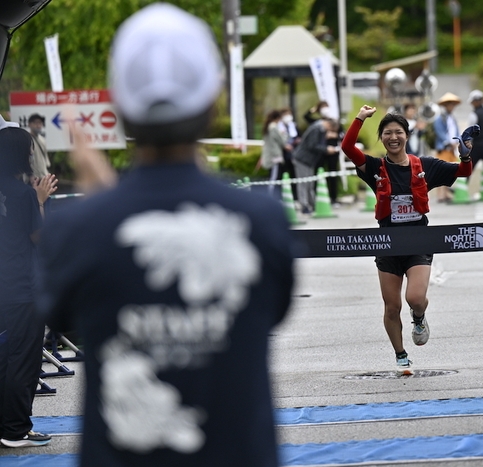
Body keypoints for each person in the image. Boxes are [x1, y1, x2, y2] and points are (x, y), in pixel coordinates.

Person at [36, 4, 295, 466]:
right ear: (214, 96)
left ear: (118, 104)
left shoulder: (78, 228)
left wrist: (104, 205)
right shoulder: (262, 219)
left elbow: (60, 312)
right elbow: (270, 312)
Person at [341, 104, 474, 368]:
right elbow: (347, 148)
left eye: (398, 132)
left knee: (414, 298)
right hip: (387, 244)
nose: (393, 137)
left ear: (407, 135)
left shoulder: (425, 166)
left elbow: (462, 173)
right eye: (388, 133)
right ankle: (401, 354)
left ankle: (419, 315)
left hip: (418, 243)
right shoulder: (375, 168)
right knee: (392, 307)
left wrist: (466, 156)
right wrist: (360, 118)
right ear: (382, 138)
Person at [0, 125, 57, 448]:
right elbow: (39, 239)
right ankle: (16, 429)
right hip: (22, 287)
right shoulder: (23, 195)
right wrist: (40, 202)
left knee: (3, 357)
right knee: (24, 359)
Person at [292, 118, 339, 214]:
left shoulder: (319, 128)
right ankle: (304, 205)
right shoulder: (316, 129)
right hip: (303, 159)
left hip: (309, 161)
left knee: (309, 184)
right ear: (329, 125)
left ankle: (312, 204)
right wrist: (326, 149)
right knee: (303, 183)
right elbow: (312, 145)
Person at [432, 92, 462, 202]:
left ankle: (446, 193)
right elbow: (440, 132)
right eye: (450, 104)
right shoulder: (440, 118)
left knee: (449, 172)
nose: (451, 107)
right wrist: (449, 142)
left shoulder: (452, 118)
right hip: (443, 148)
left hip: (452, 149)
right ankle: (440, 194)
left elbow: (456, 131)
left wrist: (458, 141)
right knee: (441, 172)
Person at [260, 109, 291, 196]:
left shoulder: (269, 126)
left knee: (274, 178)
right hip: (274, 158)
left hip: (271, 157)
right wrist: (284, 134)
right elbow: (282, 141)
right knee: (274, 179)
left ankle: (272, 196)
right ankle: (271, 197)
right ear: (277, 118)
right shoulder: (273, 127)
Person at [27, 114, 50, 178]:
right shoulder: (26, 139)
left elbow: (46, 161)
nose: (38, 125)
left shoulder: (42, 140)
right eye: (36, 123)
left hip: (44, 176)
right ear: (29, 124)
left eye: (40, 123)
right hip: (33, 178)